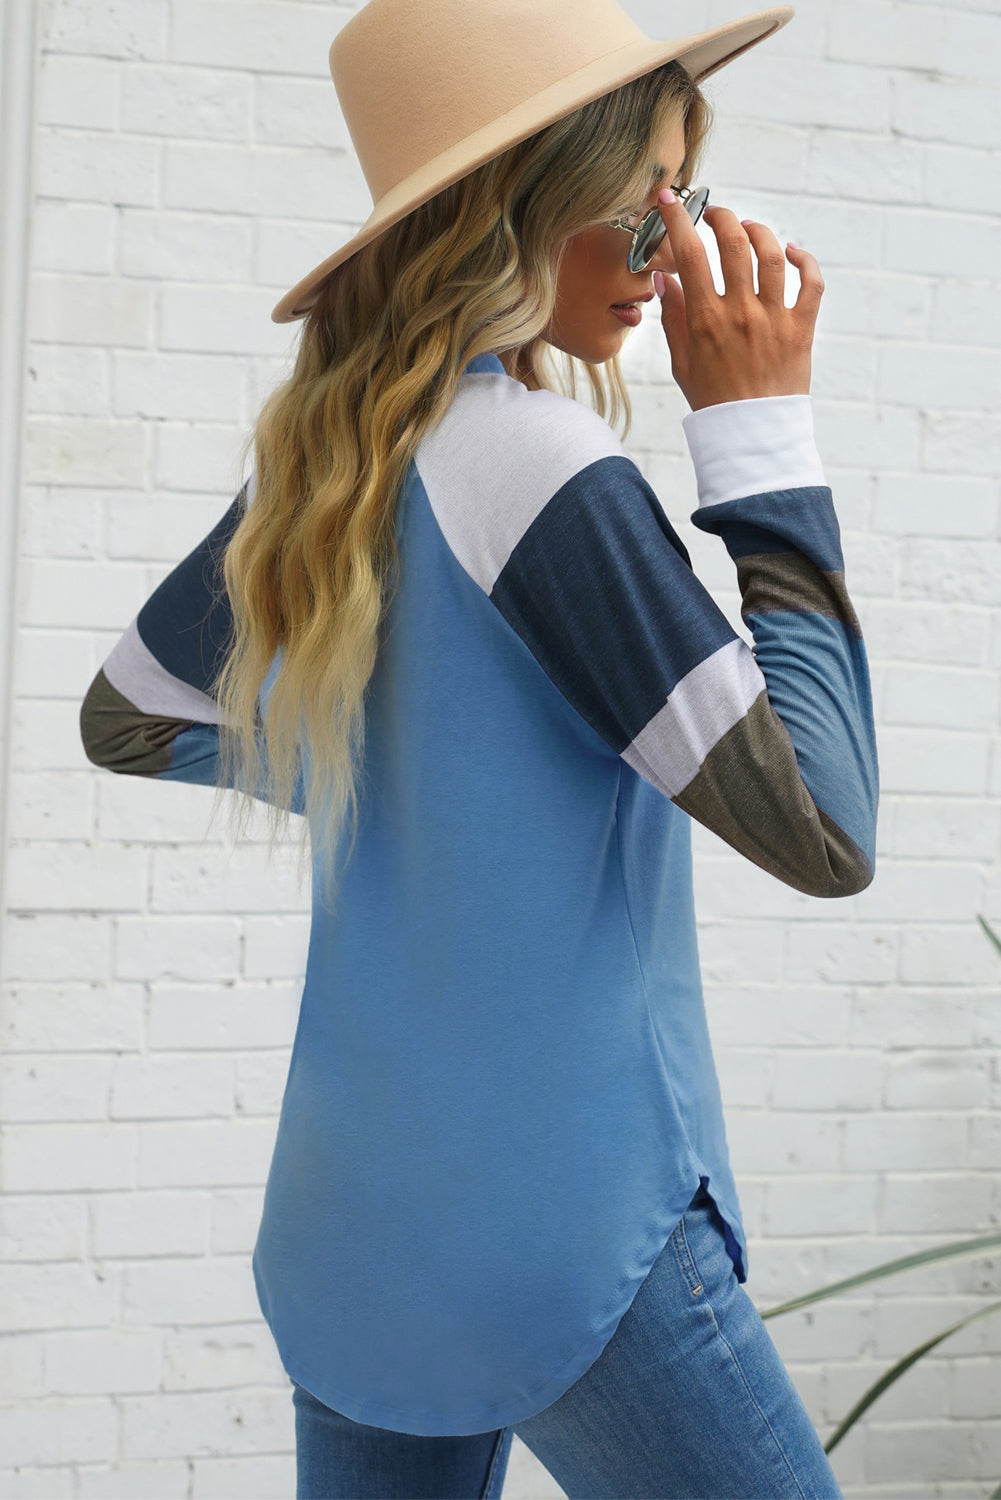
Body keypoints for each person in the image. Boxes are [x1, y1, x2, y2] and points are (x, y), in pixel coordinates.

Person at [79, 0, 878, 1494]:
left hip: (352, 1224)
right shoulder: (544, 473)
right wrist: (761, 429)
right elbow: (825, 826)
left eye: (685, 193)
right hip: (568, 1228)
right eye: (646, 197)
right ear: (521, 209)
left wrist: (401, 774)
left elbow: (131, 713)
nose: (675, 243)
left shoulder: (333, 467)